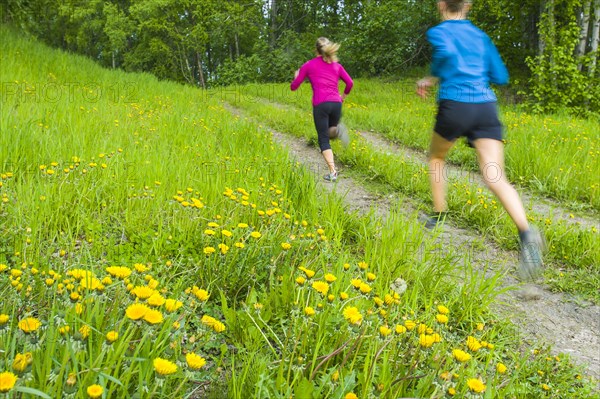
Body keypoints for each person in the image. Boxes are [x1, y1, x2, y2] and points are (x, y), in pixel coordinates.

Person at [416, 0, 544, 281]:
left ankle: (439, 215)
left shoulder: (439, 33)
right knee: (495, 176)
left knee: (437, 157)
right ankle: (526, 233)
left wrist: (432, 78)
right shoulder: (480, 36)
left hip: (455, 107)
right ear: (468, 5)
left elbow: (445, 56)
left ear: (440, 4)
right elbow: (499, 75)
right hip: (485, 107)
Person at [291, 37, 353, 182]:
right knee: (331, 131)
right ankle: (338, 130)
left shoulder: (308, 65)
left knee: (324, 139)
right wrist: (342, 96)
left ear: (315, 50)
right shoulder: (336, 65)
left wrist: (296, 76)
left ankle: (333, 172)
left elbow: (294, 87)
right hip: (336, 103)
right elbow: (350, 82)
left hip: (321, 104)